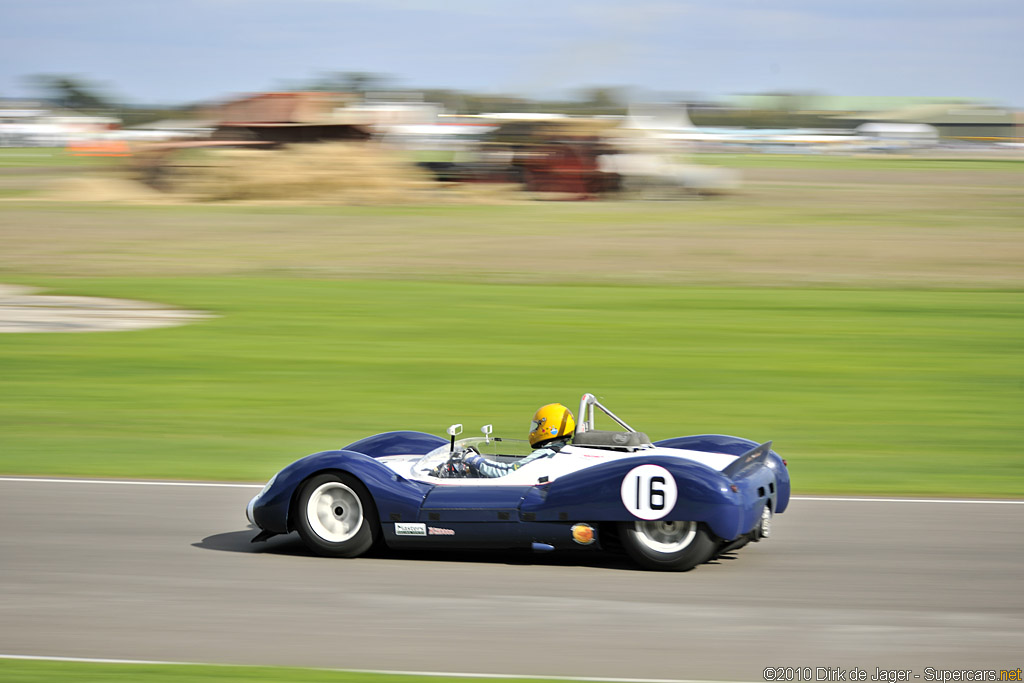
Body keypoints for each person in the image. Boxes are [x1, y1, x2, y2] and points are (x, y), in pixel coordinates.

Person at [463, 403, 575, 478]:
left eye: (537, 426)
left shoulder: (546, 454)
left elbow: (509, 472)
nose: (534, 430)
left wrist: (475, 460)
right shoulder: (564, 450)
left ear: (549, 427)